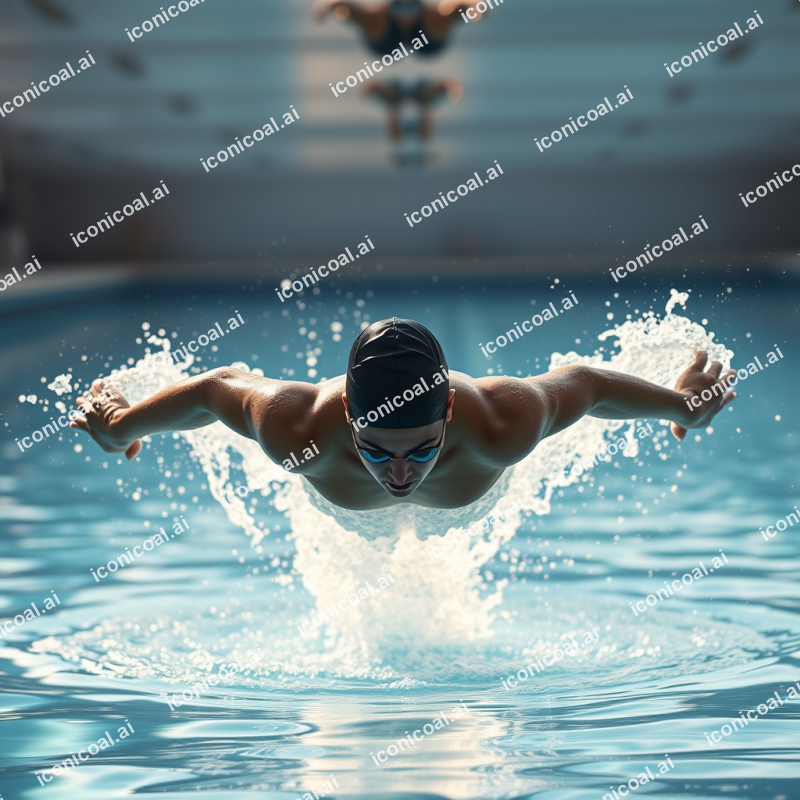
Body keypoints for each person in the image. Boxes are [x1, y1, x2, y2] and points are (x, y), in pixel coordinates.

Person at [71, 318, 737, 511]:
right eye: (375, 450)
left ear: (448, 410)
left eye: (420, 450)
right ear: (345, 417)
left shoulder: (502, 423)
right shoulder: (296, 428)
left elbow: (586, 384)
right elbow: (220, 389)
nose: (398, 474)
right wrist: (123, 426)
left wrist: (682, 407)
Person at [313, 0, 485, 58]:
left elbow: (459, 5)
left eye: (409, 12)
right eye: (402, 12)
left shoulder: (432, 16)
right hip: (386, 43)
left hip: (427, 42)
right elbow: (349, 9)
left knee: (441, 17)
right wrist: (327, 6)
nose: (406, 18)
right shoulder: (378, 16)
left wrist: (476, 7)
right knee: (369, 20)